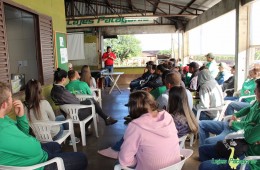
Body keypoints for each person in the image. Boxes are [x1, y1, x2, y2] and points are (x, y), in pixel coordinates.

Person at [0, 82, 87, 170]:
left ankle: (60, 161)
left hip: (33, 148)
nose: (13, 99)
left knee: (55, 146)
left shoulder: (5, 118)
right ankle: (61, 158)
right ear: (4, 105)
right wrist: (33, 140)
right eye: (11, 97)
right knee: (82, 158)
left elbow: (24, 133)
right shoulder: (3, 130)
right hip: (37, 164)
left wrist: (21, 117)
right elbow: (35, 148)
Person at [199, 79, 260, 170]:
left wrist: (238, 124)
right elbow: (248, 112)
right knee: (203, 150)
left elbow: (248, 137)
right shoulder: (257, 102)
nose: (254, 92)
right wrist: (238, 117)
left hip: (248, 160)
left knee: (205, 166)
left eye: (256, 90)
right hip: (239, 146)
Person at [118, 91, 181, 170]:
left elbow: (125, 160)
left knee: (119, 163)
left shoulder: (135, 126)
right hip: (175, 167)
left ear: (132, 108)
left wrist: (137, 161)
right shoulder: (167, 116)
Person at [51, 68, 117, 126]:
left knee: (92, 101)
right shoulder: (62, 92)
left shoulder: (54, 90)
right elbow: (76, 101)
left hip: (67, 111)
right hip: (75, 113)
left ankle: (106, 118)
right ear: (63, 79)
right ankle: (104, 119)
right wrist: (75, 97)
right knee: (94, 108)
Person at [24, 79, 80, 143]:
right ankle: (71, 139)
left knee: (60, 118)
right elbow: (53, 119)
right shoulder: (44, 103)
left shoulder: (24, 107)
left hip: (37, 137)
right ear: (39, 91)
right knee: (64, 119)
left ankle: (69, 139)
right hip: (52, 135)